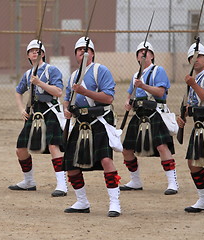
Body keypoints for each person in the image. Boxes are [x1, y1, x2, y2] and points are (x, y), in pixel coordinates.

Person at [63, 36, 122, 217]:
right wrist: (67, 110)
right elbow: (67, 100)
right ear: (76, 55)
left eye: (86, 49)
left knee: (106, 160)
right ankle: (82, 202)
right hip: (80, 123)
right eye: (79, 50)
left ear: (93, 54)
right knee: (71, 165)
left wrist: (84, 92)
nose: (83, 52)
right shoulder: (73, 76)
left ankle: (114, 203)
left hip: (99, 121)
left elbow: (108, 98)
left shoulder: (100, 71)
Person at [8, 39, 68, 197]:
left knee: (53, 146)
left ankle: (62, 184)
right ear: (28, 55)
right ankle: (29, 181)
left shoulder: (51, 70)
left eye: (38, 50)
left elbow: (58, 92)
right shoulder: (27, 74)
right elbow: (18, 91)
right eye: (32, 50)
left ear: (43, 54)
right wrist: (21, 108)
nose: (35, 52)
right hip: (35, 112)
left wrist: (40, 83)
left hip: (50, 110)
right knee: (21, 148)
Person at [119, 41, 179, 195]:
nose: (142, 54)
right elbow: (130, 94)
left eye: (146, 51)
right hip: (139, 114)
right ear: (137, 57)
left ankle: (173, 182)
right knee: (126, 149)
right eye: (139, 52)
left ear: (152, 55)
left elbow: (160, 92)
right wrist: (127, 102)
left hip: (155, 112)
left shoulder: (158, 70)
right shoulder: (135, 75)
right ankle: (135, 181)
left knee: (162, 146)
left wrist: (143, 86)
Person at [177, 42, 204, 212]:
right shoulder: (192, 80)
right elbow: (192, 104)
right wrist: (182, 116)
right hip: (199, 125)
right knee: (193, 163)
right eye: (192, 57)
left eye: (199, 56)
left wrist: (193, 84)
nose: (195, 60)